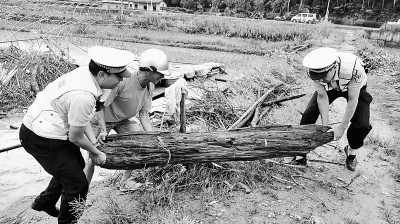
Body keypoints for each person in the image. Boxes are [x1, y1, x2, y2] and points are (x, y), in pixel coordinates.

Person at [19, 46, 135, 223]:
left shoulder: (86, 75)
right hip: (40, 137)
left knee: (77, 164)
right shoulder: (83, 95)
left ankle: (44, 201)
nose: (121, 80)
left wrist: (94, 141)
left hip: (49, 127)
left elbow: (82, 119)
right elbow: (75, 136)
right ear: (102, 75)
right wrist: (98, 153)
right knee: (77, 184)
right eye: (118, 77)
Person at [84, 48, 170, 191]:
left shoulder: (150, 86)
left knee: (138, 144)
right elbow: (100, 107)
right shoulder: (123, 82)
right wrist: (103, 130)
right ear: (149, 70)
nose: (162, 77)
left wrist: (155, 138)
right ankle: (81, 195)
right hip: (102, 119)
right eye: (160, 74)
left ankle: (124, 183)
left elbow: (144, 115)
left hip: (123, 120)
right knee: (91, 156)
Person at [295, 47, 373, 171]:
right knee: (308, 116)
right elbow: (322, 97)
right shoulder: (314, 73)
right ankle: (301, 151)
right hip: (329, 88)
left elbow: (353, 100)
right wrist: (324, 127)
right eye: (317, 77)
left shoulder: (354, 68)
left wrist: (341, 128)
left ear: (333, 67)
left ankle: (351, 152)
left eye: (323, 76)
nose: (320, 80)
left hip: (352, 87)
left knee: (362, 124)